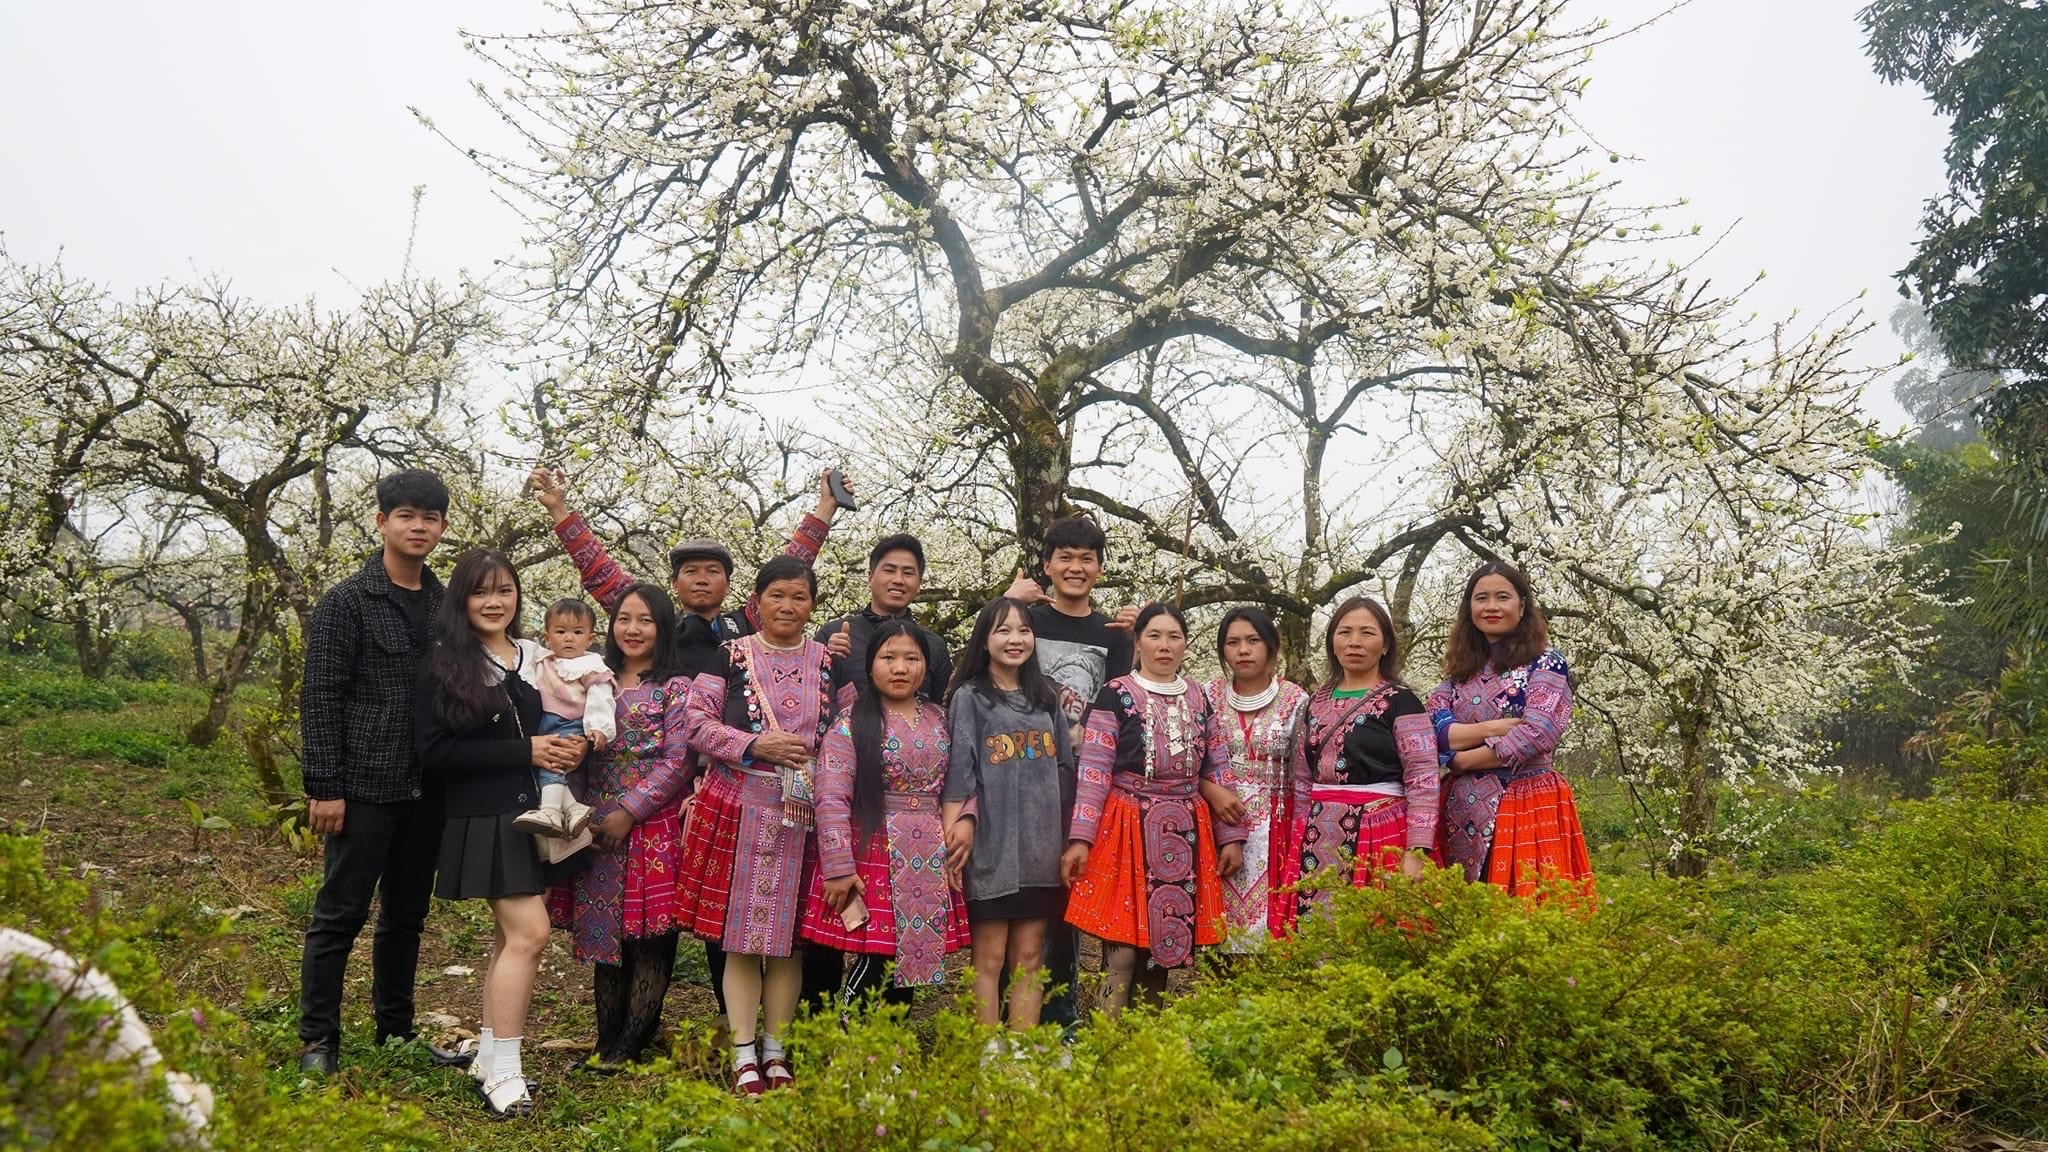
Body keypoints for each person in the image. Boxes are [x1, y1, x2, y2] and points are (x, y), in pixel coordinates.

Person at [529, 466, 854, 1018]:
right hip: (670, 785)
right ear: (674, 584)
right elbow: (601, 574)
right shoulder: (659, 628)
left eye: (713, 572)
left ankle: (766, 1024)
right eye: (690, 572)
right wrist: (561, 510)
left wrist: (824, 508)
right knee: (704, 914)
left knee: (761, 909)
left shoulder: (744, 629)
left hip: (744, 784)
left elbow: (792, 574)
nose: (701, 580)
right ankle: (724, 1021)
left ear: (732, 586)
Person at [296, 469, 467, 1076]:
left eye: (430, 518)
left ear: (441, 528)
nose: (418, 527)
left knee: (406, 917)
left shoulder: (449, 607)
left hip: (429, 787)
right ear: (382, 522)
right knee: (339, 914)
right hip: (365, 783)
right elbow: (321, 695)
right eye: (406, 516)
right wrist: (325, 786)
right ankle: (318, 1041)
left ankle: (396, 1031)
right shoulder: (347, 602)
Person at [414, 550, 582, 1118]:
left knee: (508, 939)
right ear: (461, 599)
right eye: (481, 591)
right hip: (483, 815)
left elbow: (558, 718)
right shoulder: (445, 663)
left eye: (505, 590)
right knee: (531, 934)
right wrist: (524, 750)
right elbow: (435, 753)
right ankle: (506, 1072)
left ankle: (489, 1056)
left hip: (536, 813)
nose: (494, 602)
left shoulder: (534, 656)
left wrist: (569, 745)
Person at [674, 557, 847, 1095]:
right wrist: (754, 744)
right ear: (757, 602)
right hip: (739, 808)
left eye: (799, 597)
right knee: (743, 942)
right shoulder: (729, 657)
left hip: (808, 816)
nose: (787, 607)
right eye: (777, 596)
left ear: (812, 605)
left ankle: (776, 1051)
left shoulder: (830, 663)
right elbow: (694, 724)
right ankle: (743, 1054)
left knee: (790, 943)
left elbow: (849, 730)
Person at [1064, 602, 1246, 1016]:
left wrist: (1231, 837)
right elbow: (1094, 771)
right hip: (1126, 825)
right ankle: (1107, 1041)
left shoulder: (1198, 696)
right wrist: (1080, 839)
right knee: (1122, 951)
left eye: (1174, 637)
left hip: (1184, 829)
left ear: (1185, 644)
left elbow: (1217, 765)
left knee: (1162, 951)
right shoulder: (1115, 694)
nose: (1164, 645)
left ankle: (1146, 1043)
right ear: (1138, 641)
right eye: (1154, 636)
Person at [998, 515, 1137, 1029]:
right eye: (1066, 557)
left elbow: (1124, 707)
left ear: (1099, 568)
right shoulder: (1027, 622)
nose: (1076, 567)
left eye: (1087, 558)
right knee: (1019, 897)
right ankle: (1010, 1016)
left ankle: (1061, 1016)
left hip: (1084, 784)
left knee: (1068, 897)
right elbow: (988, 666)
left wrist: (1143, 631)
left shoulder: (1114, 635)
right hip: (1020, 778)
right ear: (1047, 565)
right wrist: (1007, 601)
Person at [549, 583, 694, 1068]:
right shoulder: (595, 678)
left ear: (663, 627)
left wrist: (629, 811)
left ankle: (630, 1046)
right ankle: (603, 1045)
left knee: (648, 940)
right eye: (624, 619)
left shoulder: (676, 687)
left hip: (652, 824)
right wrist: (574, 807)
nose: (632, 629)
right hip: (595, 823)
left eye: (645, 620)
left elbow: (679, 761)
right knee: (604, 938)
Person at [799, 619, 968, 1004]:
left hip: (929, 852)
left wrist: (964, 823)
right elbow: (831, 798)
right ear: (871, 663)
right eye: (889, 658)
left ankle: (890, 1037)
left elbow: (964, 779)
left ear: (925, 665)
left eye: (912, 658)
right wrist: (838, 866)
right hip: (872, 851)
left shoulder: (941, 719)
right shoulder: (850, 722)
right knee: (876, 956)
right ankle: (852, 1033)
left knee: (907, 960)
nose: (900, 668)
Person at [940, 598, 1077, 1034]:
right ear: (984, 640)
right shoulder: (970, 697)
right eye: (1003, 630)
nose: (1015, 639)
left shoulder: (1047, 697)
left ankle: (1019, 1053)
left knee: (1031, 957)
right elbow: (959, 774)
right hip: (991, 849)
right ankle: (985, 1052)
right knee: (990, 957)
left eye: (1023, 630)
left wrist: (1069, 840)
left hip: (1041, 850)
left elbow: (1065, 771)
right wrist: (952, 840)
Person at [1426, 561, 1592, 895]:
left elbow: (1537, 732)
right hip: (1459, 807)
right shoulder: (1460, 670)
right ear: (1469, 608)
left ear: (1522, 606)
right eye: (1481, 598)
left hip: (1525, 800)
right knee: (1461, 910)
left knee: (1525, 908)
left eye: (1502, 597)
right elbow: (1432, 727)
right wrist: (1493, 728)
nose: (1491, 606)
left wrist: (1463, 759)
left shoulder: (1546, 662)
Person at [1292, 597, 1440, 914]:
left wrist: (1417, 848)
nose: (1354, 642)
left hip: (1380, 832)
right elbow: (1303, 778)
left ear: (1385, 645)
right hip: (1317, 833)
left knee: (1376, 927)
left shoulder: (1402, 702)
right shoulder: (1315, 703)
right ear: (1332, 642)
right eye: (1345, 632)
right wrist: (1297, 834)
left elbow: (1423, 777)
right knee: (1315, 927)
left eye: (1367, 633)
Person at [1199, 606, 1311, 952]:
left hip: (1276, 826)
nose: (1243, 650)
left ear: (1271, 647)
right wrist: (1210, 790)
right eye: (1233, 642)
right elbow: (1189, 763)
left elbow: (1303, 774)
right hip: (1215, 820)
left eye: (1253, 640)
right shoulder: (1206, 696)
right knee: (1218, 940)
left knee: (1271, 939)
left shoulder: (1297, 700)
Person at [513, 597, 616, 839]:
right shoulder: (543, 659)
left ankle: (550, 811)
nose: (569, 638)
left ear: (590, 638)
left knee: (553, 764)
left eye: (577, 632)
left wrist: (598, 728)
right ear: (547, 637)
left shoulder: (591, 666)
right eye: (561, 632)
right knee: (545, 766)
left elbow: (601, 698)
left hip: (569, 722)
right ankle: (572, 808)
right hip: (545, 722)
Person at [815, 533, 954, 702]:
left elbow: (940, 708)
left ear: (919, 584)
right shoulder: (834, 635)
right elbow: (812, 698)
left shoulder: (934, 645)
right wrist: (827, 659)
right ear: (870, 577)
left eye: (908, 573)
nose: (898, 580)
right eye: (889, 570)